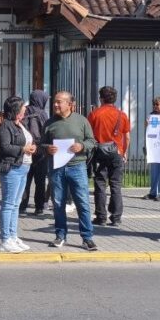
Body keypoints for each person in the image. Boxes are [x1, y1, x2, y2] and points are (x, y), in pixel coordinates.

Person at [42, 91, 97, 250]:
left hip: (77, 167)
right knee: (58, 203)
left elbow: (92, 141)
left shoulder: (82, 121)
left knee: (82, 202)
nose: (55, 105)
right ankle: (60, 236)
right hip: (56, 168)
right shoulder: (49, 123)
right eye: (55, 102)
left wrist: (82, 146)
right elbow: (41, 144)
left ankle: (87, 238)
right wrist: (47, 148)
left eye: (59, 102)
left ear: (70, 104)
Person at [0, 96, 35, 252]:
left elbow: (25, 141)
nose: (25, 109)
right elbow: (5, 147)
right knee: (8, 204)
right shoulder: (5, 125)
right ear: (16, 109)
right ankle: (5, 240)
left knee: (16, 204)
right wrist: (23, 149)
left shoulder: (20, 124)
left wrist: (32, 147)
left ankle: (13, 235)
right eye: (23, 107)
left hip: (23, 166)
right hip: (11, 168)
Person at [87, 86, 130, 226]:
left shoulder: (94, 114)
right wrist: (124, 152)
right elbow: (127, 137)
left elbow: (88, 134)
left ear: (101, 98)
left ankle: (101, 217)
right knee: (116, 185)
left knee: (100, 183)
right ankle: (116, 217)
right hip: (117, 152)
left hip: (100, 152)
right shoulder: (122, 115)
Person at [19, 89, 50, 216]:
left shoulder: (24, 111)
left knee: (25, 180)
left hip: (26, 150)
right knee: (40, 180)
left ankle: (22, 206)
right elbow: (46, 132)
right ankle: (39, 207)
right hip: (40, 151)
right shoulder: (43, 114)